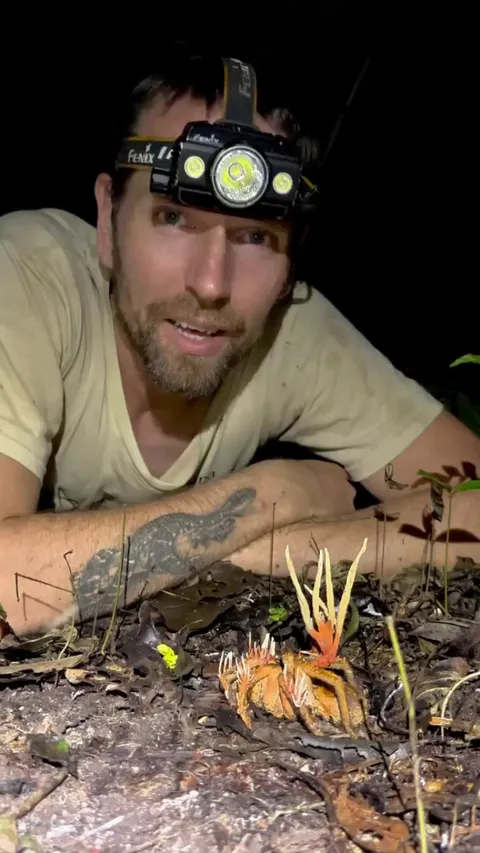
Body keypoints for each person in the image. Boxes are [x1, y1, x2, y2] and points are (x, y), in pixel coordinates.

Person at [1, 53, 479, 638]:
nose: (210, 284)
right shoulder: (27, 275)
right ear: (107, 218)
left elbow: (473, 499)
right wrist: (270, 494)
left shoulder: (293, 331)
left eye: (256, 235)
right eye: (174, 218)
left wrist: (251, 555)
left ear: (289, 267)